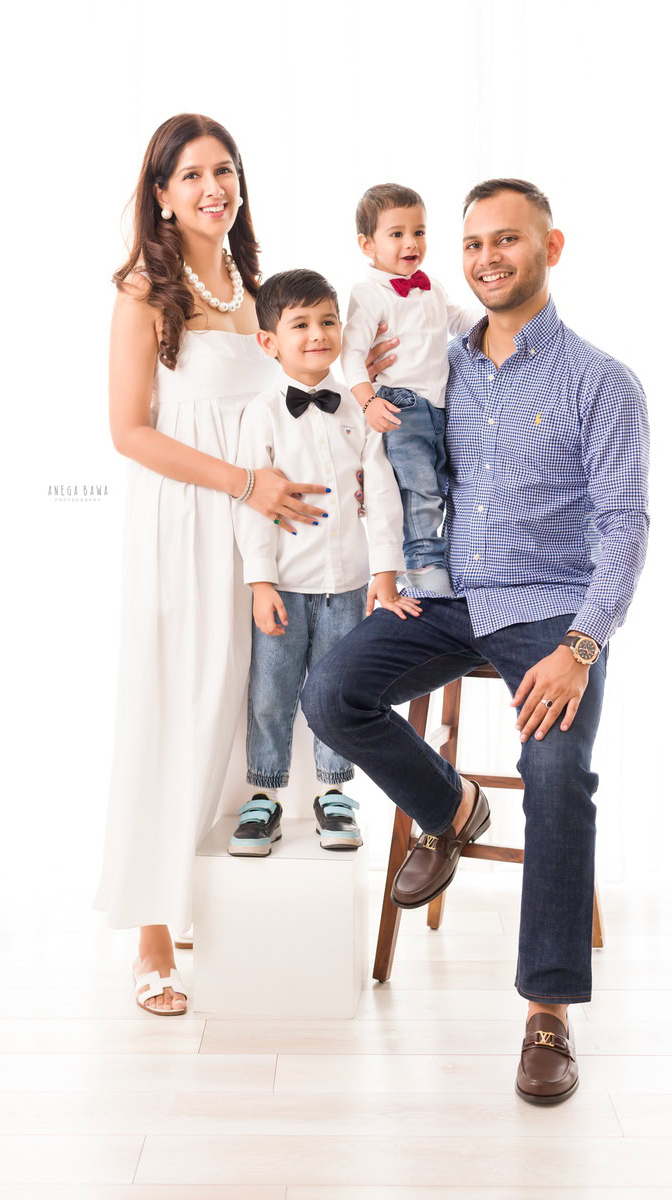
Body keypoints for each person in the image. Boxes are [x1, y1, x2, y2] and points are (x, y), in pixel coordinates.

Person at [302, 179, 650, 1102]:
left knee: (557, 774)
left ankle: (548, 1014)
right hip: (445, 594)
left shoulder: (602, 383)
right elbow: (362, 400)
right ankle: (453, 809)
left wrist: (581, 645)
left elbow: (623, 523)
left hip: (548, 611)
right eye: (473, 245)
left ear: (552, 246)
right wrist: (363, 395)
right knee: (331, 693)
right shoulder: (439, 358)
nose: (488, 258)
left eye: (508, 241)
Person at [93, 114, 398, 1016]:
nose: (212, 188)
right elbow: (128, 431)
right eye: (190, 176)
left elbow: (301, 383)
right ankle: (154, 929)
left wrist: (362, 373)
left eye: (224, 170)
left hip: (274, 535)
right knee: (181, 699)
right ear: (159, 193)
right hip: (191, 518)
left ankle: (218, 898)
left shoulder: (255, 285)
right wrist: (243, 483)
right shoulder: (146, 293)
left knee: (257, 697)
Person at [230, 269, 415, 856]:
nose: (318, 334)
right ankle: (264, 795)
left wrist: (385, 569)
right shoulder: (261, 414)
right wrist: (259, 582)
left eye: (328, 321)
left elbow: (382, 490)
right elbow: (252, 506)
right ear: (270, 341)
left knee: (339, 692)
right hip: (285, 582)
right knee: (271, 692)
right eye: (301, 324)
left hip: (349, 583)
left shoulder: (360, 410)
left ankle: (335, 792)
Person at [340, 184, 480, 594]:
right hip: (401, 403)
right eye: (396, 233)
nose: (411, 242)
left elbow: (458, 319)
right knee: (417, 490)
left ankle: (429, 565)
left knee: (438, 487)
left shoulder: (432, 286)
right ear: (368, 245)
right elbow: (351, 353)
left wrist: (498, 321)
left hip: (439, 407)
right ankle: (424, 574)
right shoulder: (368, 293)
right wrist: (368, 402)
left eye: (419, 232)